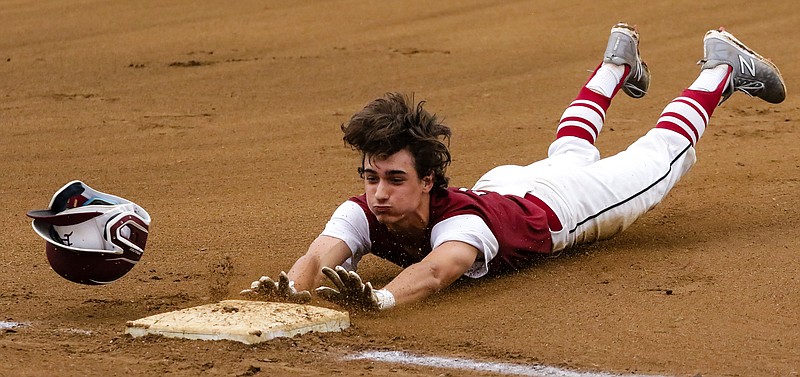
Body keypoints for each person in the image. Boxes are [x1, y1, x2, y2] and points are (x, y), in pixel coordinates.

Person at [241, 23, 785, 312]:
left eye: (395, 179)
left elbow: (434, 273)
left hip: (564, 205)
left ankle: (721, 68)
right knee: (568, 149)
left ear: (428, 181)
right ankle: (616, 64)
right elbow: (317, 255)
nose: (378, 193)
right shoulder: (365, 209)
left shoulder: (461, 226)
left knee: (655, 159)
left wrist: (379, 299)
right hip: (507, 187)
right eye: (372, 177)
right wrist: (290, 291)